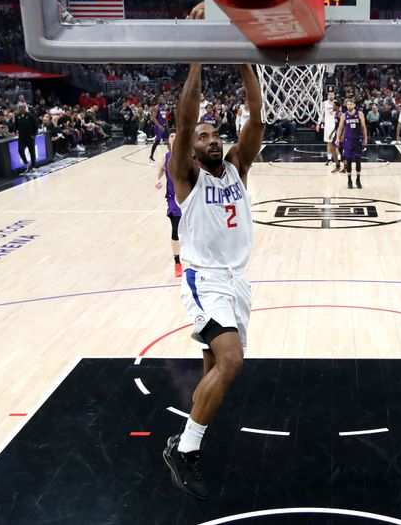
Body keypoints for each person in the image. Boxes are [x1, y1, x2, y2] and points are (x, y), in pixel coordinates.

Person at [162, 63, 264, 501]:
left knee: (214, 370)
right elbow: (185, 119)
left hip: (236, 280)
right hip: (205, 278)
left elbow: (256, 117)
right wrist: (198, 57)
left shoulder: (238, 165)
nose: (212, 139)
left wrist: (243, 59)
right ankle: (185, 449)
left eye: (215, 134)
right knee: (231, 360)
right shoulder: (185, 177)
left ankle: (187, 438)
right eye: (203, 137)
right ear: (189, 149)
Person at [155, 132, 183, 278]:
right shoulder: (166, 157)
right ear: (168, 140)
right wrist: (157, 179)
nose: (174, 137)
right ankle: (177, 263)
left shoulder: (187, 155)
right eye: (172, 136)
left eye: (176, 136)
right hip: (173, 198)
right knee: (175, 231)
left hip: (188, 199)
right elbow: (161, 168)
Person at [336, 97, 368, 189]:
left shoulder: (360, 114)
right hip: (348, 140)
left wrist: (365, 138)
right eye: (348, 104)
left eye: (350, 104)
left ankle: (358, 179)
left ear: (354, 105)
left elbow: (363, 127)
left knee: (358, 161)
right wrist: (337, 138)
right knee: (348, 161)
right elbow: (340, 128)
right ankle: (349, 180)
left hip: (357, 139)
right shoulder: (344, 115)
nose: (349, 106)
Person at [14, 102, 38, 171]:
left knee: (32, 152)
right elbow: (16, 126)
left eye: (23, 107)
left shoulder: (30, 115)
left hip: (30, 137)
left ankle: (33, 166)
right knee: (20, 150)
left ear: (25, 108)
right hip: (21, 137)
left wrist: (34, 135)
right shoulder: (17, 116)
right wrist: (14, 131)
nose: (21, 109)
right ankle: (26, 162)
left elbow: (35, 126)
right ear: (18, 109)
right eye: (20, 107)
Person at [317, 91, 338, 169]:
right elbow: (321, 115)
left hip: (335, 125)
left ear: (334, 95)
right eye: (330, 95)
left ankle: (338, 159)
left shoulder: (337, 103)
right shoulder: (324, 103)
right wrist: (318, 124)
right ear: (327, 96)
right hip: (328, 125)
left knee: (336, 142)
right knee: (329, 143)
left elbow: (339, 114)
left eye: (332, 94)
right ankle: (329, 159)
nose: (331, 96)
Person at [149, 95, 171, 162]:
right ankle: (151, 156)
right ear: (159, 100)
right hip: (159, 126)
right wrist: (159, 126)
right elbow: (153, 118)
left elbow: (166, 117)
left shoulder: (165, 107)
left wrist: (167, 126)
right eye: (161, 99)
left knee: (168, 141)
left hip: (164, 126)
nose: (162, 100)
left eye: (163, 99)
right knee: (158, 141)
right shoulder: (157, 107)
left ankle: (171, 155)